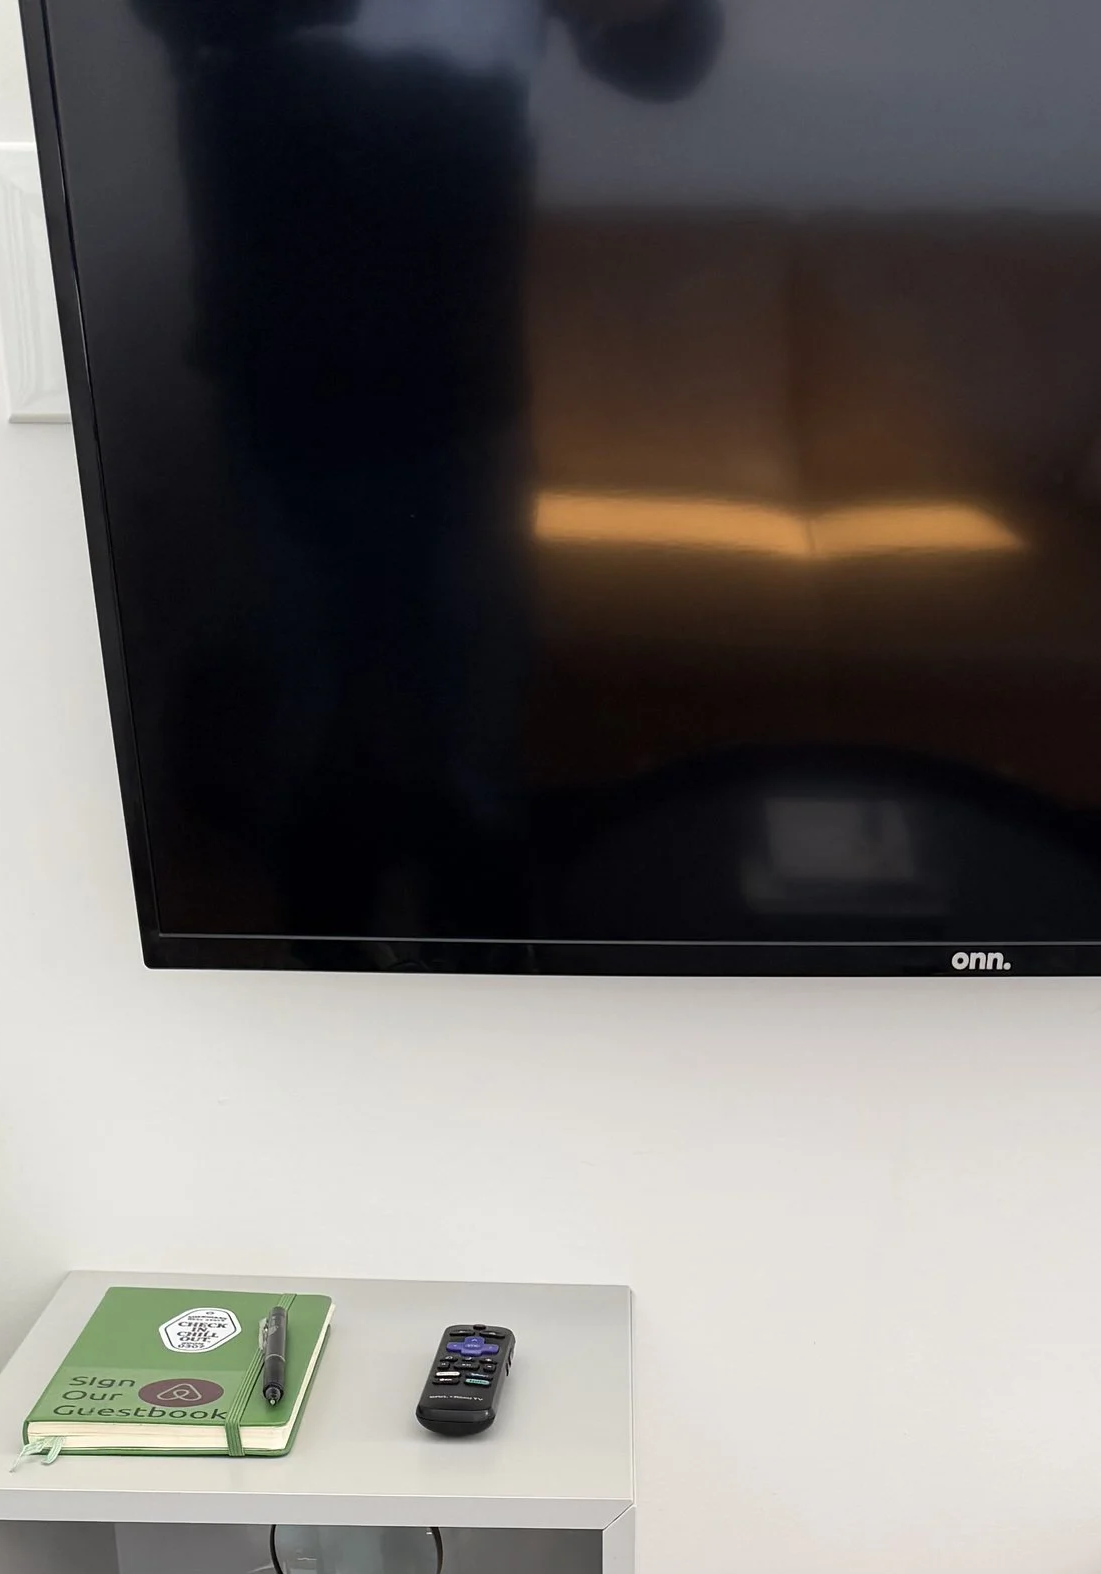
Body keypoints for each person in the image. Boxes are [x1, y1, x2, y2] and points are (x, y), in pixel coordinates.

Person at [137, 0, 722, 934]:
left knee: (468, 730)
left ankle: (474, 959)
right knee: (310, 714)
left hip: (460, 387)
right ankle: (328, 962)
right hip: (280, 378)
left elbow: (671, 59)